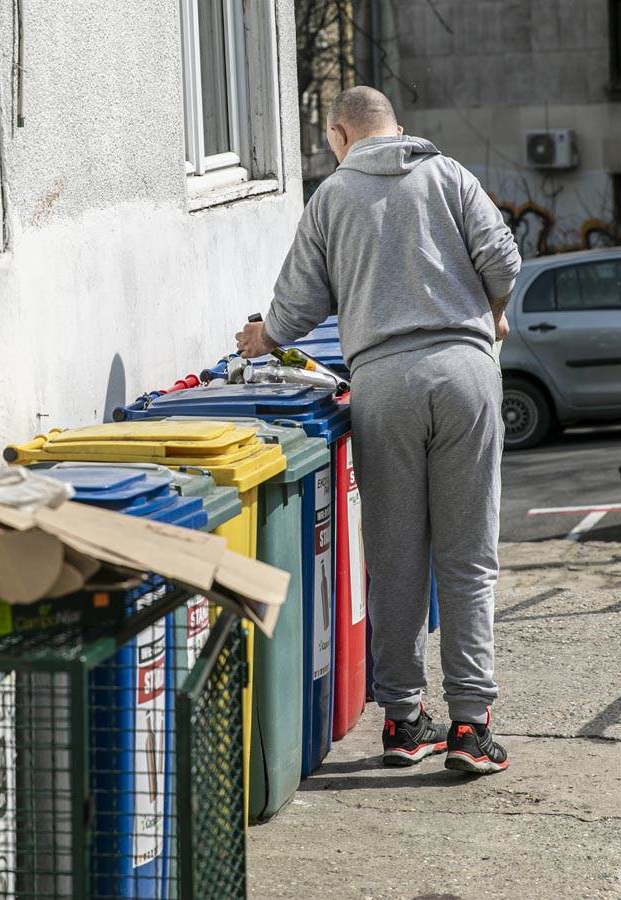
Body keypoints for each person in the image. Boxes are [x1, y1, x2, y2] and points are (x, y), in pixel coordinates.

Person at [237, 86, 521, 776]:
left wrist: (261, 338)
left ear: (340, 135)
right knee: (467, 556)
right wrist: (492, 310)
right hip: (465, 371)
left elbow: (296, 306)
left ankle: (402, 722)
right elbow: (505, 260)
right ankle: (471, 728)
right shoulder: (450, 175)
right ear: (399, 129)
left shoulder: (332, 198)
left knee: (394, 555)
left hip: (383, 385)